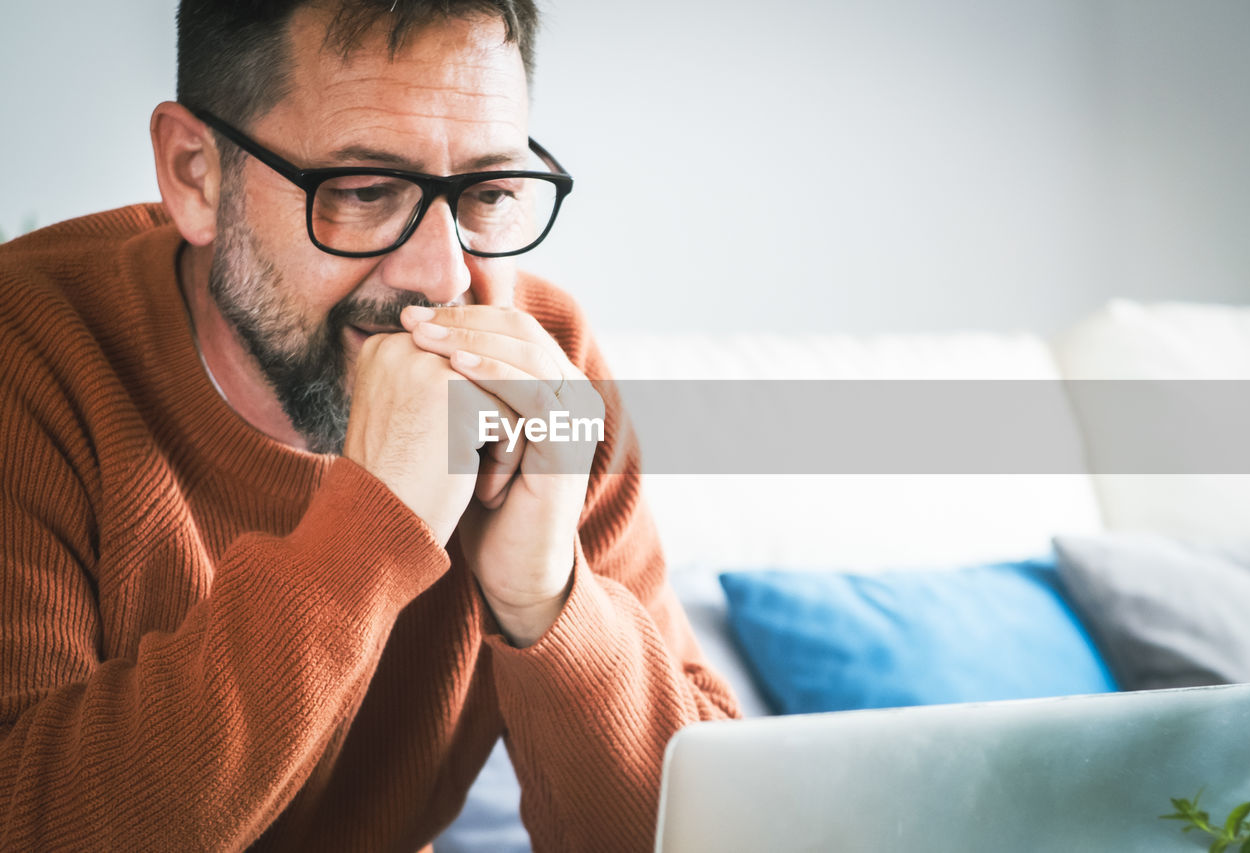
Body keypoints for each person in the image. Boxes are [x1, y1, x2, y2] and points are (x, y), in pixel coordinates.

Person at [0, 1, 739, 849]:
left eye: (489, 191)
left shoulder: (540, 369)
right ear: (196, 172)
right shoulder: (28, 351)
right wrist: (372, 531)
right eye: (364, 191)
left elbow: (716, 818)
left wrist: (547, 594)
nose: (443, 274)